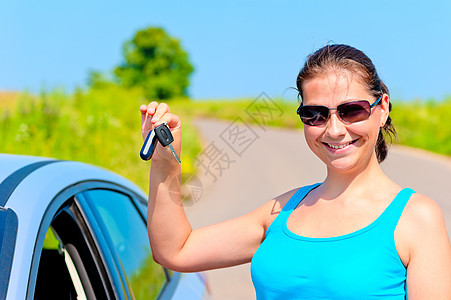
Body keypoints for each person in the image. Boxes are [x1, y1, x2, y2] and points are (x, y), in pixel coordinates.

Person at [139, 44, 451, 299]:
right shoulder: (280, 213)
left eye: (351, 110)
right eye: (314, 115)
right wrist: (165, 161)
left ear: (382, 109)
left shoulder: (416, 218)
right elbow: (176, 250)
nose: (334, 130)